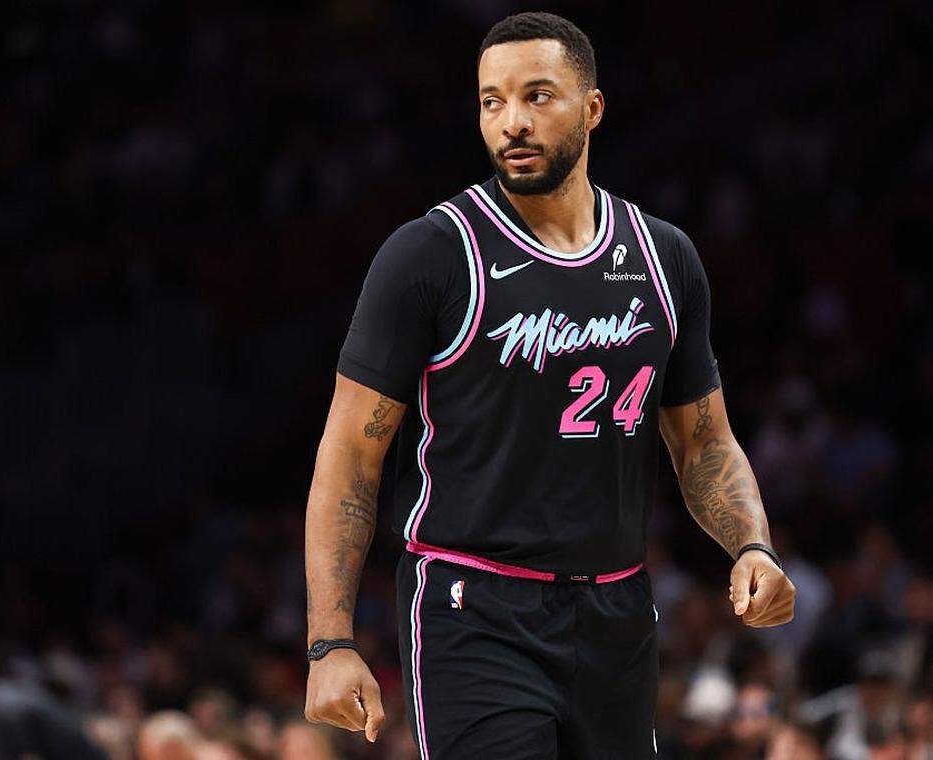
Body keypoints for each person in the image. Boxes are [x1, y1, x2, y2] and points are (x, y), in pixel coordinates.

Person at [302, 11, 796, 759]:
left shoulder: (664, 258)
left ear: (592, 108)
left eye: (537, 96)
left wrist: (751, 545)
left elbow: (704, 442)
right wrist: (329, 641)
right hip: (473, 606)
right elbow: (349, 458)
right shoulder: (431, 254)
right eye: (491, 102)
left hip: (617, 607)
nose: (513, 122)